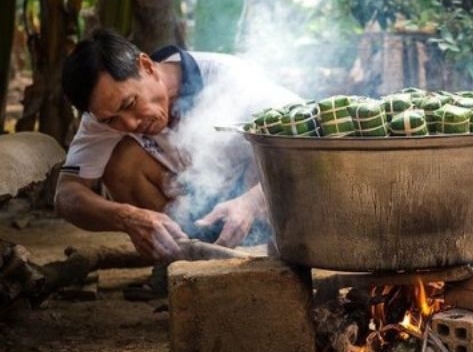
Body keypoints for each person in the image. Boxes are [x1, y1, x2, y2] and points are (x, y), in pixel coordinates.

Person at [55, 28, 300, 262]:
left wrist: (250, 203)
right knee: (121, 162)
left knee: (278, 151)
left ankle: (284, 256)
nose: (129, 124)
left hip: (261, 201)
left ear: (147, 67)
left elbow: (309, 150)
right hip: (185, 207)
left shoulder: (230, 78)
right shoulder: (104, 113)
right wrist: (127, 218)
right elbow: (67, 194)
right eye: (110, 120)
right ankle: (182, 257)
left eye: (129, 104)